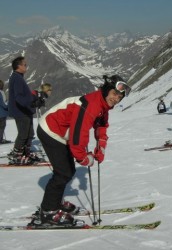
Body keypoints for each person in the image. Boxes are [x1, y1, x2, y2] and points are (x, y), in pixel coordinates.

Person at [34, 75, 131, 226]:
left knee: (68, 170)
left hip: (61, 131)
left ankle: (54, 202)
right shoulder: (92, 105)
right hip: (51, 129)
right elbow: (78, 137)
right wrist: (84, 158)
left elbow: (101, 126)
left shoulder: (103, 105)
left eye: (119, 97)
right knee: (63, 172)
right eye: (114, 94)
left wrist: (101, 147)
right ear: (106, 90)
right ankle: (48, 211)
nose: (116, 99)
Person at [7, 56, 37, 165]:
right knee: (23, 134)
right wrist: (31, 102)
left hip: (24, 110)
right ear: (18, 66)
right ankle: (17, 155)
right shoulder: (17, 78)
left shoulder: (18, 77)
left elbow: (25, 95)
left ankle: (25, 153)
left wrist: (35, 99)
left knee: (29, 133)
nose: (26, 67)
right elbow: (19, 97)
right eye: (25, 65)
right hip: (20, 111)